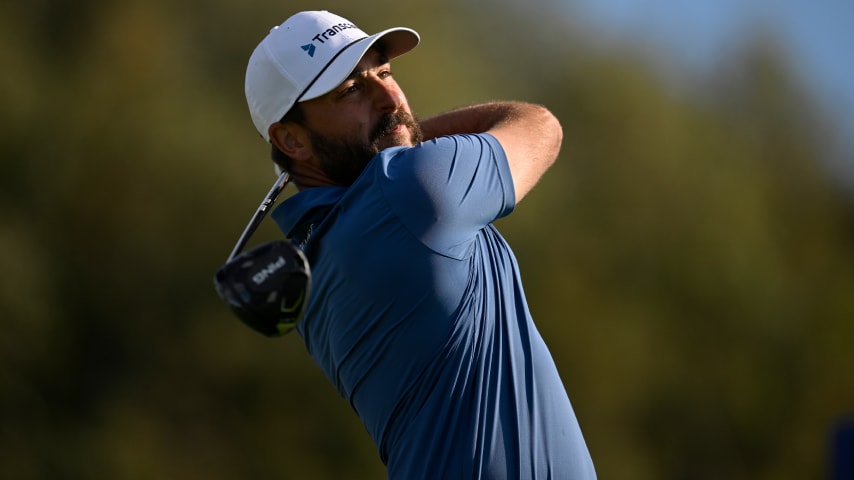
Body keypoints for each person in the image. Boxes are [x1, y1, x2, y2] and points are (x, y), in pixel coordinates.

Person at [243, 10, 596, 479]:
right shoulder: (408, 191)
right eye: (351, 90)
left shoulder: (309, 263)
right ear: (291, 138)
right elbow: (540, 126)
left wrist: (396, 139)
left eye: (384, 73)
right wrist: (409, 140)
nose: (389, 97)